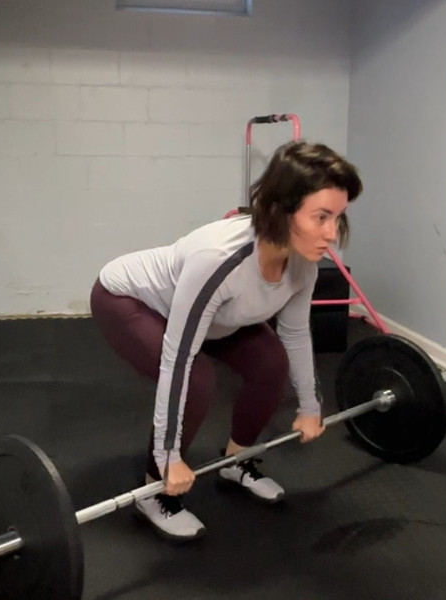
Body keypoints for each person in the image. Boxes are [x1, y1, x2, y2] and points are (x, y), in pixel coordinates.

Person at [89, 139, 363, 541]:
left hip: (214, 313)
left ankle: (238, 461)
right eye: (321, 217)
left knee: (270, 365)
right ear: (281, 209)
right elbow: (178, 359)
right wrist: (168, 458)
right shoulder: (220, 260)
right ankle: (153, 490)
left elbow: (296, 332)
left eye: (337, 218)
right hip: (131, 300)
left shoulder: (303, 262)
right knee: (197, 380)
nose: (332, 234)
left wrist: (310, 405)